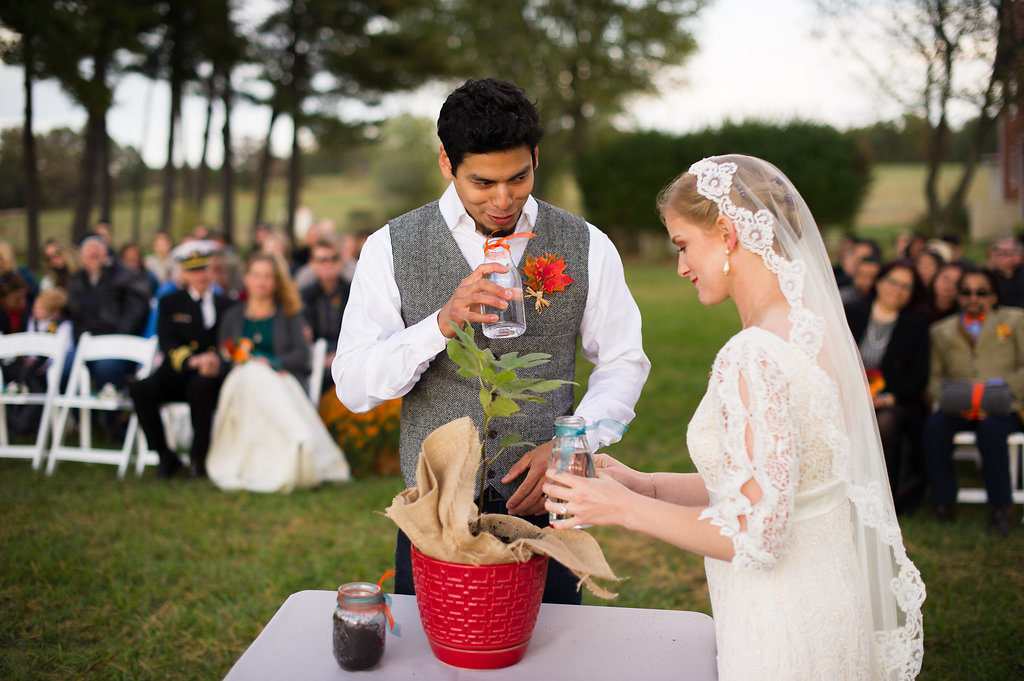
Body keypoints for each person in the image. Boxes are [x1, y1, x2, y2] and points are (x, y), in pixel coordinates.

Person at [541, 155, 924, 679]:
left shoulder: (753, 355)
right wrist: (644, 485)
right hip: (831, 599)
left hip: (782, 620)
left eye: (682, 245)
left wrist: (620, 508)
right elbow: (778, 483)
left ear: (726, 233)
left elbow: (754, 534)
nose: (680, 267)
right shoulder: (812, 330)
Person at [333, 77, 650, 605]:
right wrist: (439, 324)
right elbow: (354, 387)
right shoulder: (389, 247)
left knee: (550, 653)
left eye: (519, 178)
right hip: (433, 514)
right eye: (482, 183)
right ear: (446, 163)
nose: (503, 200)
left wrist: (576, 444)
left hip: (544, 509)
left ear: (536, 159)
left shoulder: (587, 244)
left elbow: (623, 360)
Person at [206, 253, 350, 492]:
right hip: (241, 386)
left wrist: (270, 362)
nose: (261, 282)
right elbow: (225, 356)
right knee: (250, 373)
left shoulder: (289, 314)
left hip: (280, 381)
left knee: (258, 373)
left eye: (268, 277)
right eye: (256, 275)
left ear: (275, 282)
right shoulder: (232, 316)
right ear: (247, 279)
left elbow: (300, 355)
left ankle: (298, 442)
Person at [922, 267, 1023, 536]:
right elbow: (933, 377)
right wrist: (955, 398)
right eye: (966, 292)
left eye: (981, 292)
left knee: (992, 432)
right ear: (958, 296)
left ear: (993, 296)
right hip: (959, 404)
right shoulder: (940, 330)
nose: (973, 298)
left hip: (1004, 404)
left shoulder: (1015, 320)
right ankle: (943, 502)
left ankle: (1000, 507)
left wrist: (1000, 390)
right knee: (934, 428)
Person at [128, 243, 233, 479]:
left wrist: (215, 362)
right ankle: (165, 455)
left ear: (212, 271)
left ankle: (198, 459)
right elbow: (167, 343)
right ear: (183, 273)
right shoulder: (170, 302)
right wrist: (192, 361)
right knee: (140, 389)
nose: (200, 276)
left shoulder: (227, 305)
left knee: (201, 387)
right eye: (194, 270)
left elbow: (231, 342)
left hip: (209, 376)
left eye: (205, 269)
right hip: (178, 371)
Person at [845, 260, 930, 514]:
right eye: (893, 282)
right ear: (879, 282)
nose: (898, 290)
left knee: (885, 423)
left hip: (894, 400)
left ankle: (883, 497)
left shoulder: (916, 324)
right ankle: (842, 493)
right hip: (848, 393)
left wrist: (887, 397)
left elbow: (918, 376)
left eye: (906, 286)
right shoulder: (851, 312)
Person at [64, 235, 151, 391]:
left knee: (107, 368)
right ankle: (82, 414)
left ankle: (110, 414)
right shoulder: (75, 281)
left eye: (97, 251)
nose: (93, 255)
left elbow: (136, 312)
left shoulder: (125, 275)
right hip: (86, 343)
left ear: (106, 253)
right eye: (89, 252)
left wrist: (117, 339)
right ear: (82, 257)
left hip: (118, 342)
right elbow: (73, 316)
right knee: (65, 366)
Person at [300, 237, 350, 395]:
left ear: (341, 261)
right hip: (313, 360)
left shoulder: (354, 292)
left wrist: (337, 354)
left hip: (347, 356)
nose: (328, 264)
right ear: (312, 264)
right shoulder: (303, 296)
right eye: (322, 259)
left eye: (333, 258)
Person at [987, 235, 1024, 307]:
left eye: (1005, 253)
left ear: (1017, 256)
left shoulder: (1021, 275)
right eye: (997, 252)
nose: (999, 256)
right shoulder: (990, 276)